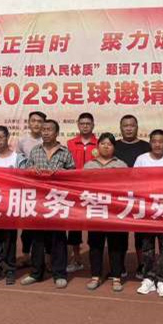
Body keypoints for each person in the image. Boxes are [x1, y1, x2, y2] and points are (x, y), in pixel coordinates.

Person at [21, 119, 76, 289]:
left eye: (49, 129)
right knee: (37, 238)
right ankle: (36, 273)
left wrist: (63, 173)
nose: (45, 132)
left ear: (56, 133)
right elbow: (26, 171)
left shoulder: (65, 152)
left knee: (58, 238)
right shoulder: (35, 151)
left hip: (57, 201)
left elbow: (74, 175)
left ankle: (60, 273)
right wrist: (31, 170)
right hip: (38, 201)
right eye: (43, 129)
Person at [134, 130, 163, 298]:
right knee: (147, 247)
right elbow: (134, 181)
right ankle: (148, 278)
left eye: (161, 141)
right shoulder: (141, 159)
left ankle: (162, 280)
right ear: (150, 143)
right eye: (154, 141)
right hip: (147, 210)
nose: (157, 144)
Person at [84, 132, 128, 292]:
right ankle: (95, 276)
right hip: (96, 210)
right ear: (97, 146)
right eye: (102, 143)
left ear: (114, 147)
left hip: (116, 212)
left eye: (109, 144)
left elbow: (127, 187)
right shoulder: (89, 166)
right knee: (95, 244)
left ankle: (116, 277)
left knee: (116, 245)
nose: (106, 146)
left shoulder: (121, 165)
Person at [0, 126, 27, 285]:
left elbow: (24, 180)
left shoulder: (18, 158)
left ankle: (10, 270)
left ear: (7, 137)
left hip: (11, 204)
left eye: (1, 137)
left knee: (9, 239)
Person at [114, 114, 151, 279]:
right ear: (120, 128)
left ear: (137, 127)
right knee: (119, 233)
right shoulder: (114, 145)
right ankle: (119, 265)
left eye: (132, 125)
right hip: (118, 196)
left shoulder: (146, 146)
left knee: (141, 234)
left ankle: (142, 265)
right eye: (125, 125)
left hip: (140, 195)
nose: (129, 128)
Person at [66, 112, 98, 273]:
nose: (85, 126)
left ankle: (95, 259)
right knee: (74, 225)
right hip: (74, 190)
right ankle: (76, 258)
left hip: (94, 191)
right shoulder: (70, 143)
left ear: (93, 125)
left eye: (88, 123)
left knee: (95, 224)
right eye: (82, 123)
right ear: (78, 125)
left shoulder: (99, 144)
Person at [16, 111, 47, 268]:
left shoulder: (48, 140)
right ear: (29, 123)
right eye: (33, 120)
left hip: (45, 189)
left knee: (46, 224)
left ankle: (46, 258)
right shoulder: (22, 141)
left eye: (39, 121)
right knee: (27, 225)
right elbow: (18, 162)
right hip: (28, 188)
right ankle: (26, 256)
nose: (36, 124)